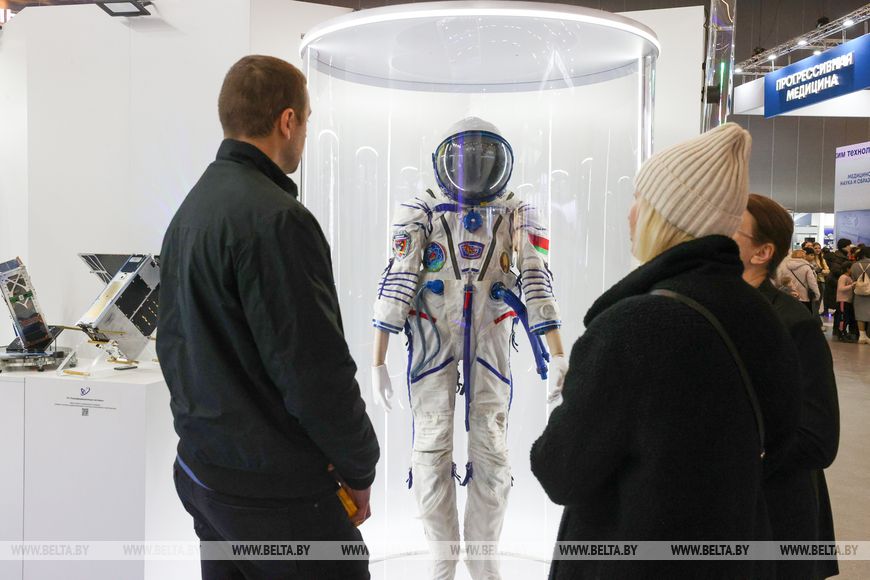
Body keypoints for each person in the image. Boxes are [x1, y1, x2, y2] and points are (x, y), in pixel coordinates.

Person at [530, 123, 800, 579]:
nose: (631, 214)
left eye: (641, 200)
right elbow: (782, 438)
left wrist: (572, 397)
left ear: (668, 217)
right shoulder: (762, 315)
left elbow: (561, 471)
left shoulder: (633, 326)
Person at [157, 55, 380, 579]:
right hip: (273, 493)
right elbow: (314, 371)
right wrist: (360, 465)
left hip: (204, 475)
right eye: (307, 120)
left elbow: (175, 345)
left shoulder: (191, 210)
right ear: (287, 121)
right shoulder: (278, 220)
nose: (305, 134)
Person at [370, 117, 568, 580]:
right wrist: (377, 359)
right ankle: (443, 559)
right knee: (431, 444)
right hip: (432, 333)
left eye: (484, 158)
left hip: (491, 334)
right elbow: (399, 280)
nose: (475, 169)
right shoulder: (421, 210)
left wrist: (557, 352)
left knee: (492, 450)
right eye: (466, 158)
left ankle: (482, 560)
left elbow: (536, 280)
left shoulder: (518, 212)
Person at [734, 193, 840, 579]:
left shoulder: (792, 323)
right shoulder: (714, 311)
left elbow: (818, 439)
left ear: (762, 253)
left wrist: (729, 455)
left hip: (775, 514)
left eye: (730, 228)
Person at [828, 239, 854, 337]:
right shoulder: (838, 257)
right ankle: (839, 331)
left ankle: (839, 330)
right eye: (849, 245)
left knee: (841, 312)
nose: (850, 247)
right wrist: (846, 275)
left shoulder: (843, 256)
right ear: (844, 246)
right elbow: (835, 270)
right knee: (841, 313)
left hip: (839, 287)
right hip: (837, 287)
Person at [780, 249, 820, 313]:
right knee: (805, 315)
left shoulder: (785, 267)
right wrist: (817, 295)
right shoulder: (807, 268)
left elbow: (781, 281)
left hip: (790, 296)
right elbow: (812, 283)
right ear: (804, 256)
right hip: (804, 298)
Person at [850, 245, 870, 344]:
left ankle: (862, 336)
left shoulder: (854, 265)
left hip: (858, 292)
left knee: (860, 313)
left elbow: (853, 279)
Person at [836, 268, 858, 342]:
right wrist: (852, 285)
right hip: (842, 300)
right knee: (843, 318)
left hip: (848, 301)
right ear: (848, 269)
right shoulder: (843, 277)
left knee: (847, 318)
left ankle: (844, 332)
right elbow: (841, 288)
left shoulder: (849, 278)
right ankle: (841, 333)